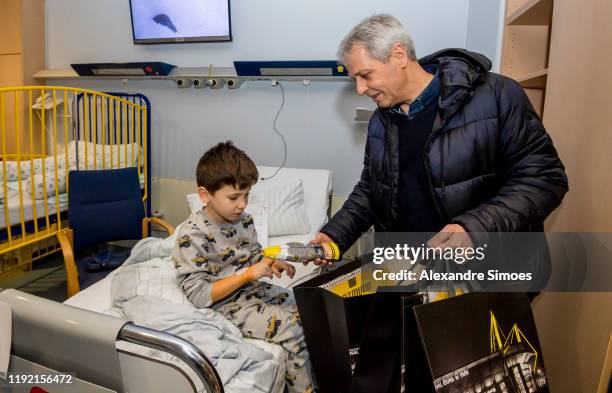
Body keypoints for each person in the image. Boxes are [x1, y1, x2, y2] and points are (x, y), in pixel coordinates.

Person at [312, 14, 568, 287]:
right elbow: (372, 190)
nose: (360, 89)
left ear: (399, 55)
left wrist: (475, 228)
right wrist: (334, 235)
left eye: (365, 75)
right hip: (415, 275)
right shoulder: (381, 121)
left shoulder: (497, 96)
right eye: (355, 80)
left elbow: (544, 179)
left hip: (492, 275)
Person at [172, 141, 314, 393]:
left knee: (308, 308)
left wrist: (271, 263)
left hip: (252, 291)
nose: (242, 204)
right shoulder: (192, 234)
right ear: (205, 195)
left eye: (247, 195)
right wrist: (248, 273)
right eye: (234, 197)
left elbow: (253, 256)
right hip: (224, 305)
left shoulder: (244, 221)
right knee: (292, 329)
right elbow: (198, 295)